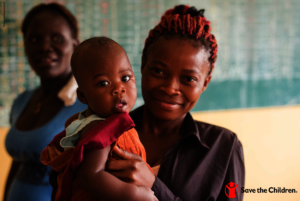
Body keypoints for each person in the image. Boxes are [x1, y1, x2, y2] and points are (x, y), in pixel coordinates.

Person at [104, 5, 245, 201]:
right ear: (143, 64)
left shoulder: (224, 146)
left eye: (189, 79)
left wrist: (154, 185)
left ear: (205, 82)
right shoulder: (106, 132)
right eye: (159, 71)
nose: (170, 89)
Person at [40, 37, 158, 201]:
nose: (119, 88)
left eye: (125, 78)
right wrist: (136, 193)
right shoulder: (102, 127)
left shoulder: (85, 120)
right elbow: (90, 176)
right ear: (82, 96)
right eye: (103, 83)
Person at [4, 3, 86, 201]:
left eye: (57, 38)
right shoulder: (22, 102)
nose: (44, 47)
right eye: (34, 39)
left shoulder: (88, 106)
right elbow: (18, 164)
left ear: (74, 46)